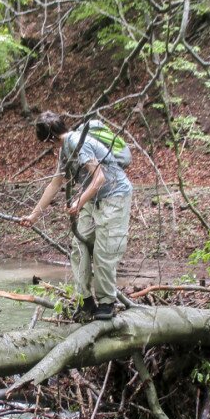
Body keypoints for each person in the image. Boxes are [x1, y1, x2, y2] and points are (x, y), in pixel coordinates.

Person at [20, 111, 133, 321]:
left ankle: (107, 303)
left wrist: (78, 203)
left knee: (104, 252)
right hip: (92, 199)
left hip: (114, 196)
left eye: (48, 142)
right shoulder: (66, 149)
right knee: (78, 246)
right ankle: (86, 300)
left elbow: (100, 178)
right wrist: (34, 215)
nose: (50, 147)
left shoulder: (75, 143)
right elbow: (56, 182)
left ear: (50, 137)